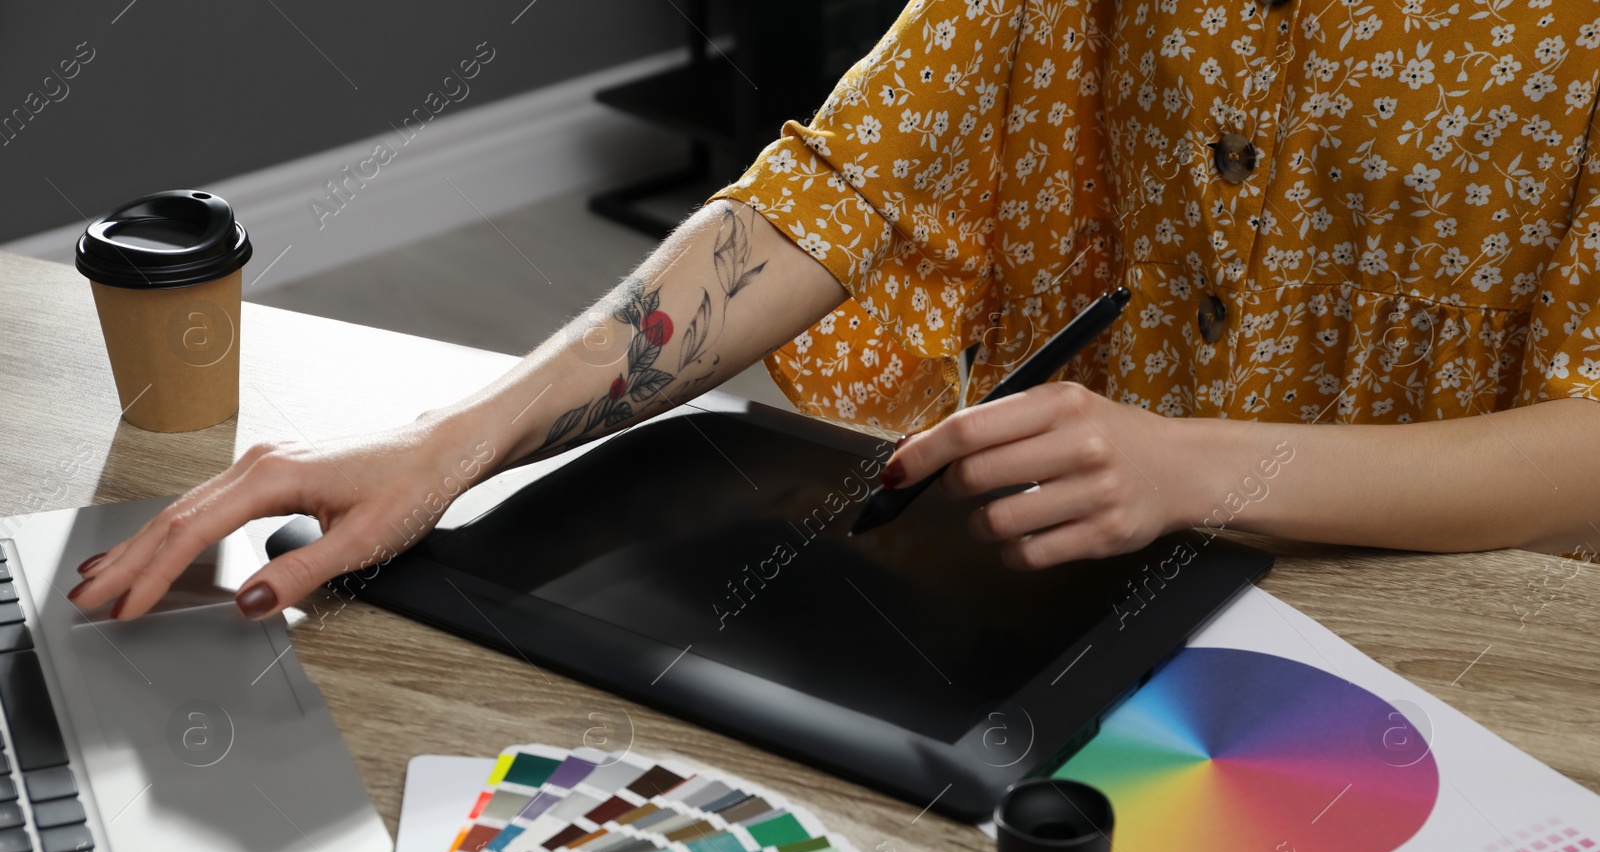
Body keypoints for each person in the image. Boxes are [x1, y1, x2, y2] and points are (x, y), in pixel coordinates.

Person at [71, 0, 1600, 623]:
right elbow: (843, 186)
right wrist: (456, 440)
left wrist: (1204, 465)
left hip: (1449, 616)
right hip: (1073, 573)